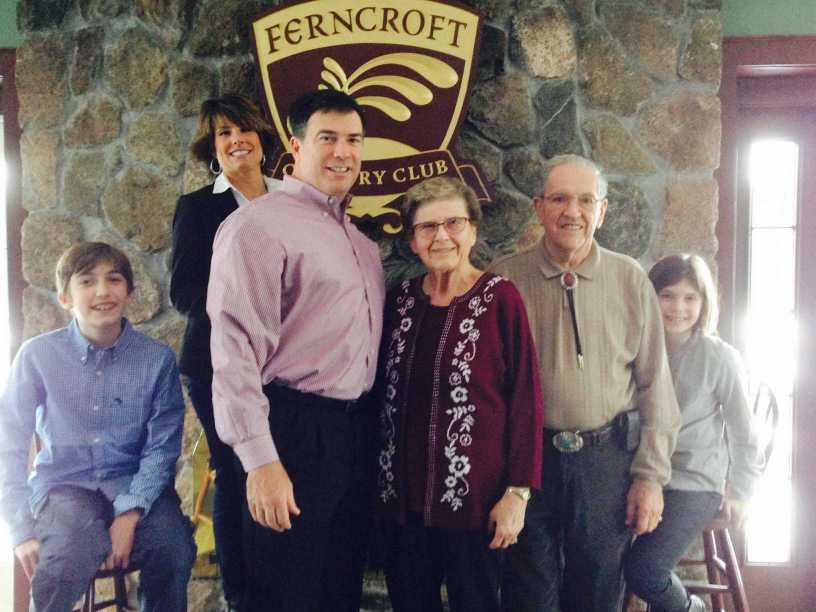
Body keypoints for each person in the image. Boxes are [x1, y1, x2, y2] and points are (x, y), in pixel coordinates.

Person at [206, 89, 385, 612]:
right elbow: (234, 352)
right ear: (296, 145)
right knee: (283, 595)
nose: (342, 152)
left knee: (338, 591)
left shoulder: (362, 244)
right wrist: (260, 460)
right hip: (290, 432)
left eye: (353, 139)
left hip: (354, 435)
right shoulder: (257, 226)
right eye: (327, 137)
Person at [489, 154, 681, 612]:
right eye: (559, 199)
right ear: (538, 207)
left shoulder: (630, 279)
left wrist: (650, 478)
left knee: (597, 592)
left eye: (585, 200)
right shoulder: (504, 279)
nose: (571, 212)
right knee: (527, 596)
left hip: (606, 463)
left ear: (603, 211)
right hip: (528, 464)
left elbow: (656, 386)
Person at [376, 177, 543, 612]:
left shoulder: (500, 298)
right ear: (413, 241)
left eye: (453, 223)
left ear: (472, 230)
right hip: (402, 506)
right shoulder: (400, 301)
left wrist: (518, 493)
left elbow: (526, 400)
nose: (441, 236)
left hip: (476, 505)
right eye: (427, 227)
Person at [0, 242, 195, 612]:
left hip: (134, 484)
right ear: (65, 297)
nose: (103, 291)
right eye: (87, 281)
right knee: (64, 560)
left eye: (114, 279)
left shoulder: (157, 360)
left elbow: (162, 448)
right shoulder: (37, 356)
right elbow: (8, 444)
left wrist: (129, 514)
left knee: (173, 549)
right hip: (64, 487)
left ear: (129, 292)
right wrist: (20, 529)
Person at [170, 93, 282, 610]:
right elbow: (183, 293)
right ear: (212, 147)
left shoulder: (291, 200)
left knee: (279, 470)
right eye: (224, 133)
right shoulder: (197, 208)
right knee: (237, 475)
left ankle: (282, 585)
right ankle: (242, 597)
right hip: (215, 367)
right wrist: (243, 317)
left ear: (262, 138)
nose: (237, 140)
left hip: (283, 367)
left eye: (244, 129)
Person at [624, 254, 763, 612]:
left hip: (694, 482)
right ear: (650, 297)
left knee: (644, 570)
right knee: (596, 555)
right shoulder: (631, 347)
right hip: (636, 474)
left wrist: (742, 490)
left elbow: (745, 431)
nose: (678, 308)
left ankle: (692, 609)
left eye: (690, 298)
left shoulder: (720, 357)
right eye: (667, 296)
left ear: (704, 304)